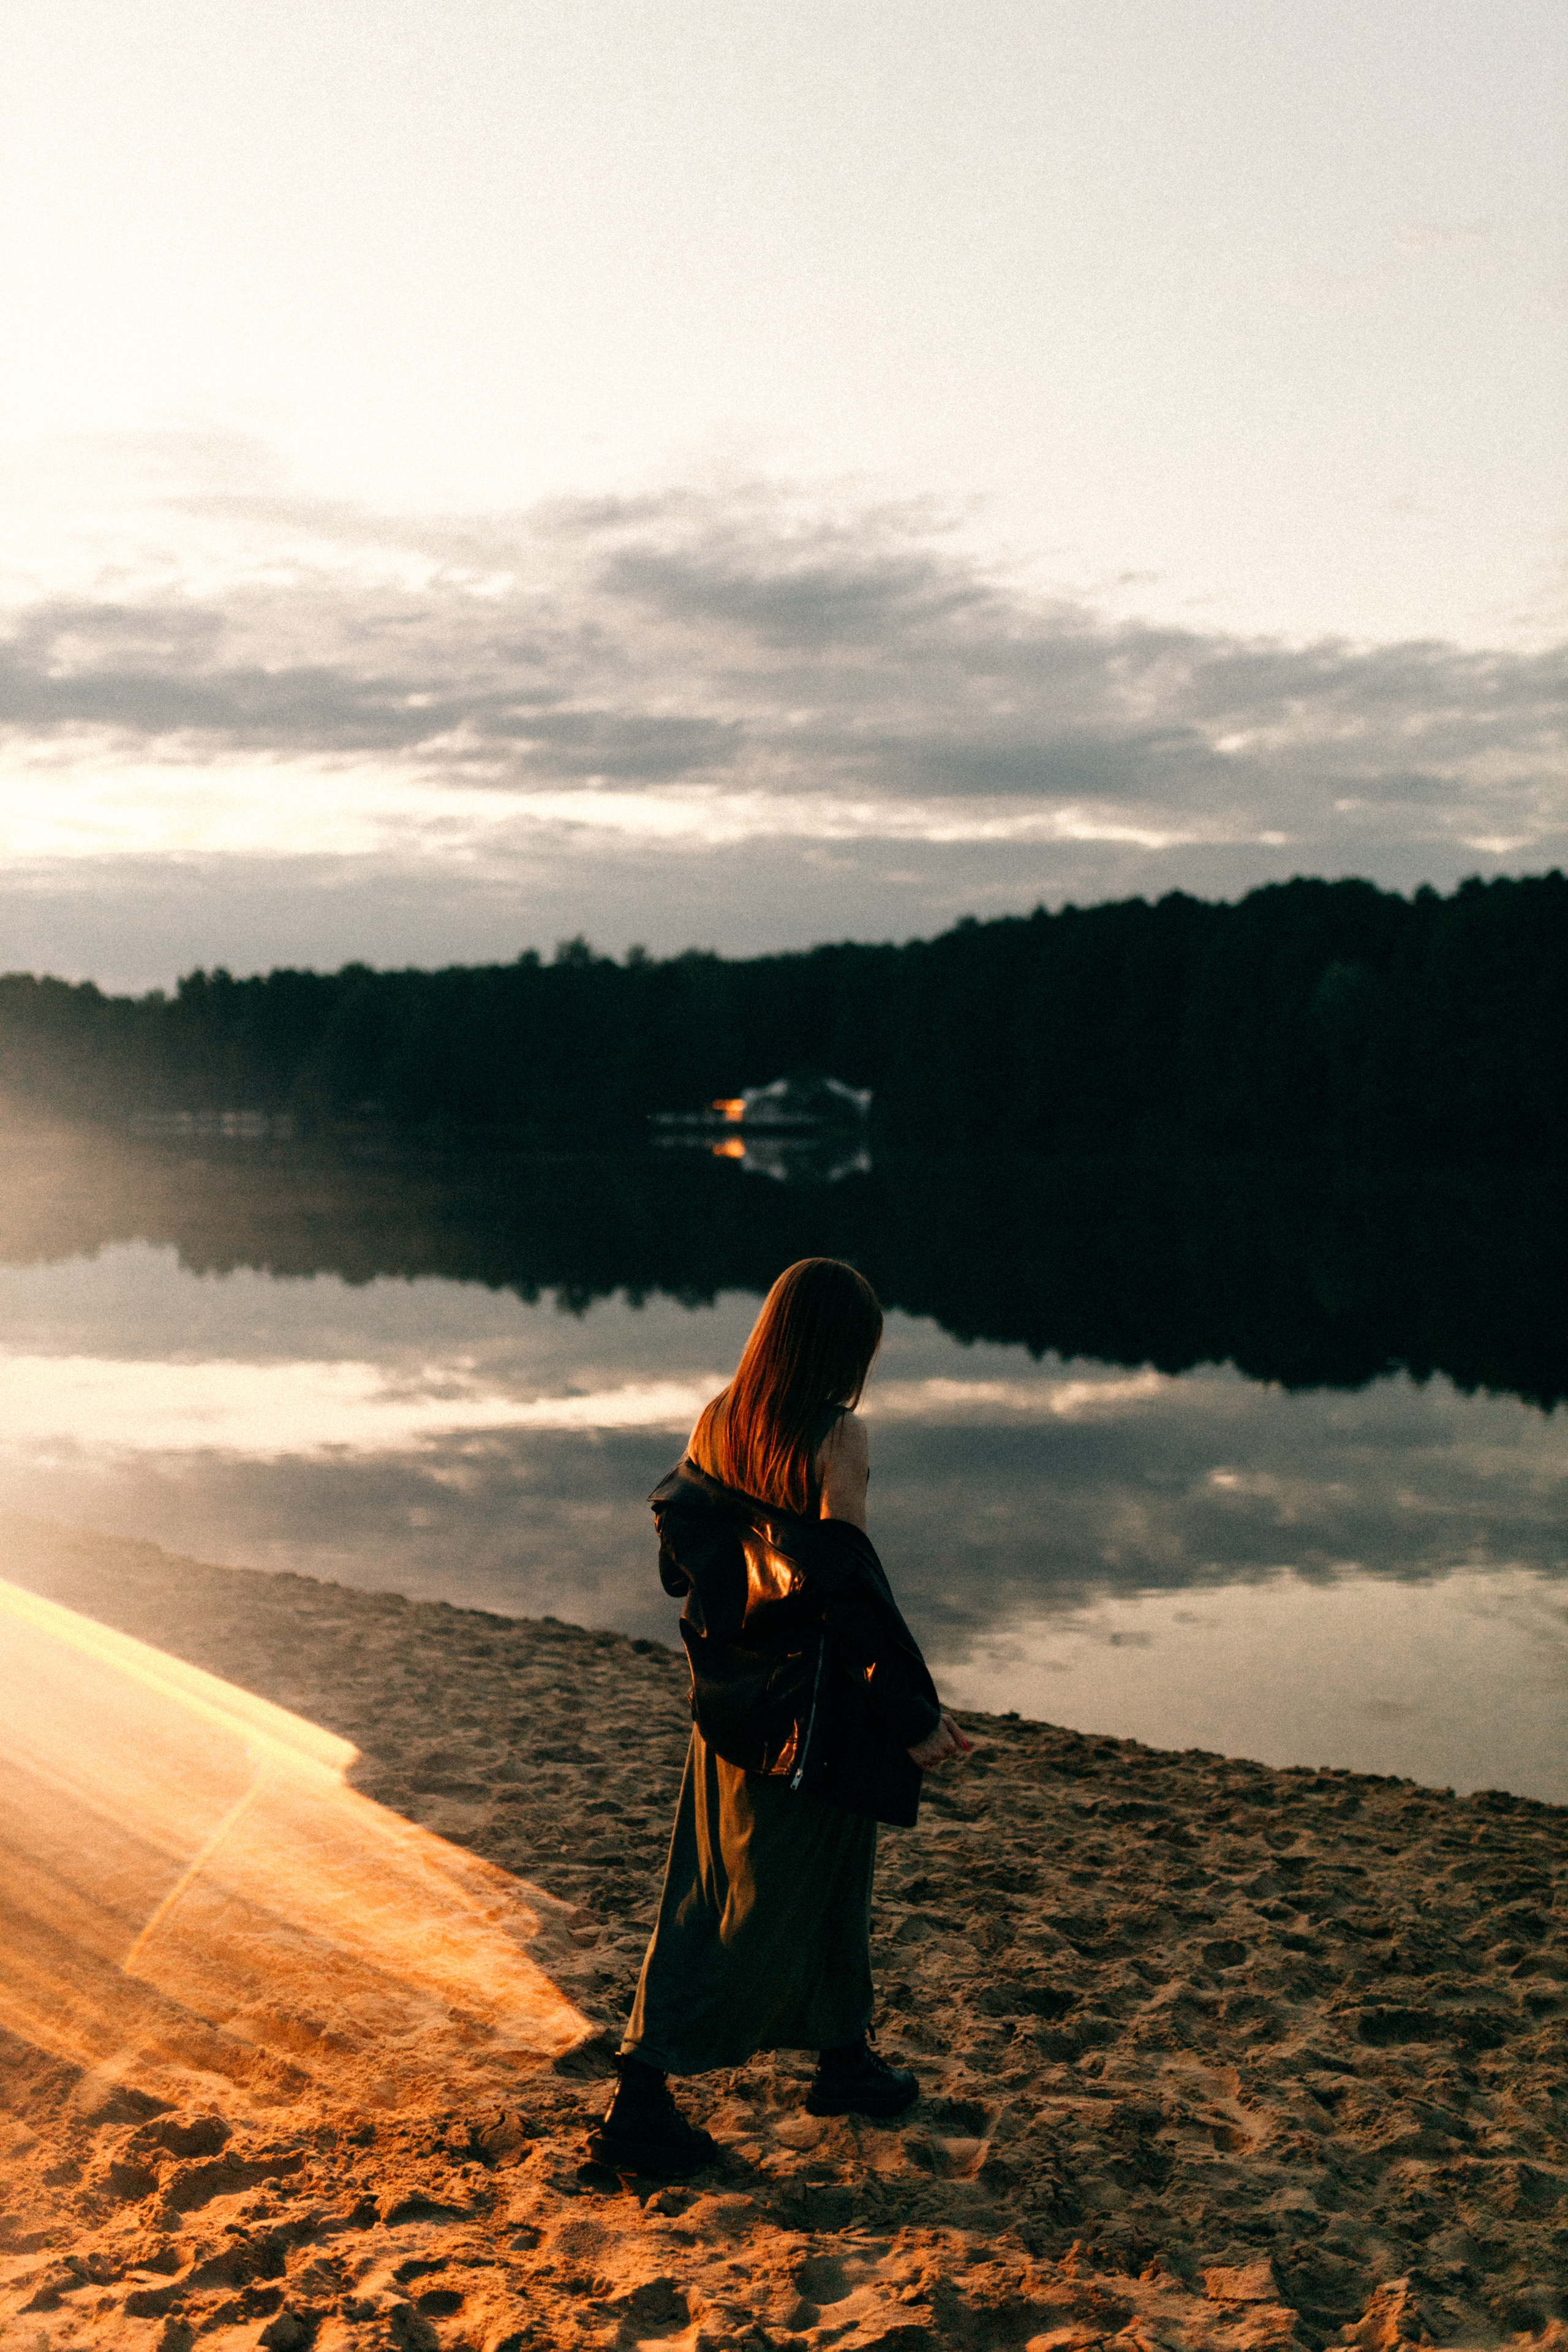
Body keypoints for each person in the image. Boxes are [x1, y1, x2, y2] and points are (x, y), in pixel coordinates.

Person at [589, 1257, 968, 2175]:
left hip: (733, 1704)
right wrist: (913, 1716)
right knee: (743, 1910)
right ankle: (641, 2096)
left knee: (798, 1884)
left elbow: (688, 1559)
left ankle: (845, 2060)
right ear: (844, 1350)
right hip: (816, 1714)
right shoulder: (837, 1437)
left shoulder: (718, 1419)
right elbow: (849, 1588)